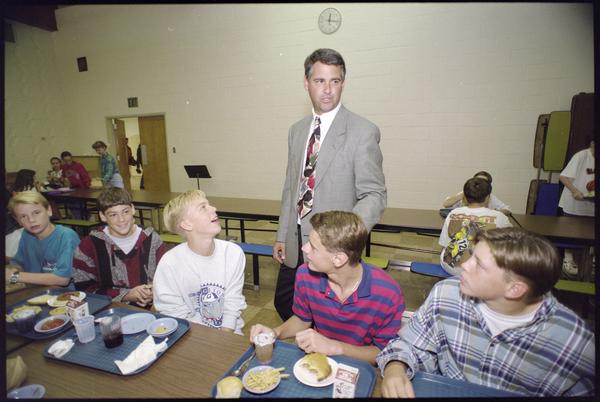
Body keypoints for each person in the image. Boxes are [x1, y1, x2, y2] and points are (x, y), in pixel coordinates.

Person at [377, 227, 595, 397]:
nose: (465, 265)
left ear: (515, 289)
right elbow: (411, 345)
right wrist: (397, 366)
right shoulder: (446, 293)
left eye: (479, 265)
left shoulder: (575, 342)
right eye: (471, 256)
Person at [273, 48, 387, 321]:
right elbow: (292, 187)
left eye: (334, 81)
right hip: (296, 243)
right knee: (285, 305)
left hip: (332, 251)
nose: (327, 90)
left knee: (327, 320)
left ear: (343, 84)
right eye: (319, 81)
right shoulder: (297, 131)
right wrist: (282, 234)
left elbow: (374, 195)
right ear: (306, 83)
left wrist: (341, 238)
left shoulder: (363, 131)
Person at [251, 211, 404, 364]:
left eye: (313, 247)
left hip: (360, 365)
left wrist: (334, 347)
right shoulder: (305, 274)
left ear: (338, 259)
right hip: (318, 361)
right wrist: (275, 333)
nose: (304, 248)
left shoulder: (388, 293)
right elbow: (302, 319)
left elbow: (383, 353)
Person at [153, 189, 247, 334]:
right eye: (203, 207)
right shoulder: (170, 263)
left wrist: (223, 337)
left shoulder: (233, 253)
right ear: (186, 224)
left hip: (229, 332)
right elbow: (174, 313)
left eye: (209, 204)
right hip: (190, 335)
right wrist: (205, 341)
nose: (213, 208)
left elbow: (232, 302)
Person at [73, 188, 167, 307]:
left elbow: (167, 277)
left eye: (125, 212)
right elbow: (83, 286)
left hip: (151, 309)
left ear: (133, 209)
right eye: (113, 215)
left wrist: (153, 291)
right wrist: (126, 295)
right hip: (109, 310)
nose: (121, 219)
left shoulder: (152, 240)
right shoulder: (88, 246)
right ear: (102, 216)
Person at [438, 177, 512, 276]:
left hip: (451, 267)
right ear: (488, 197)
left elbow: (444, 243)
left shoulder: (454, 213)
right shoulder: (500, 217)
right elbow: (511, 247)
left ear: (465, 196)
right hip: (480, 270)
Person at [5, 191, 79, 287]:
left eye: (36, 213)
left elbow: (62, 279)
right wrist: (12, 271)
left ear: (49, 210)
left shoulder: (66, 236)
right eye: (23, 216)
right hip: (36, 290)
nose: (31, 220)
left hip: (64, 293)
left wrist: (14, 276)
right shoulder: (26, 234)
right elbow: (19, 264)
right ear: (18, 221)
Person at [558, 138, 595, 276]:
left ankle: (591, 263)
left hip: (591, 205)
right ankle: (568, 260)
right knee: (570, 233)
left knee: (591, 235)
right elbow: (563, 177)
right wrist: (575, 191)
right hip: (574, 204)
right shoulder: (581, 156)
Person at [442, 171, 511, 215]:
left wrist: (492, 212)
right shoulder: (464, 193)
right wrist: (465, 193)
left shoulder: (490, 197)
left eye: (483, 182)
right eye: (477, 180)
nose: (479, 184)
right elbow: (446, 204)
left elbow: (507, 210)